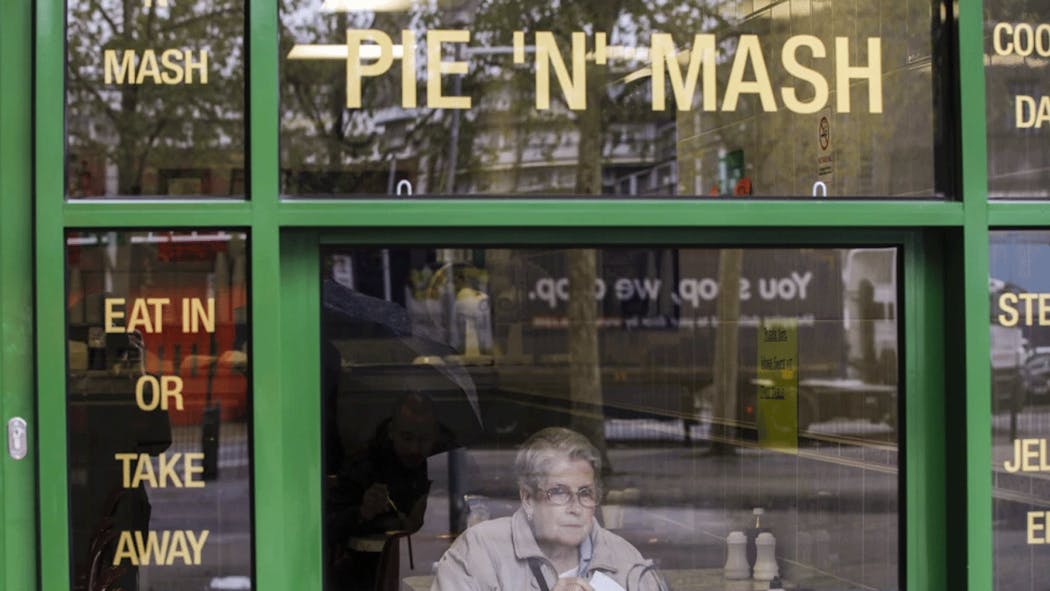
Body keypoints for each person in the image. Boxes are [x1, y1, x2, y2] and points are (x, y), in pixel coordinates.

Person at [431, 427, 664, 591]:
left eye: (585, 493)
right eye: (559, 492)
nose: (575, 508)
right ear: (528, 498)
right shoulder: (478, 553)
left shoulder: (624, 559)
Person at [328, 392, 442, 591]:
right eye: (407, 438)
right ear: (391, 431)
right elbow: (326, 527)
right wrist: (362, 513)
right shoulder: (364, 466)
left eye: (424, 439)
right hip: (369, 575)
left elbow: (479, 509)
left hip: (440, 571)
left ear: (436, 435)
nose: (415, 448)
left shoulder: (450, 461)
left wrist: (438, 507)